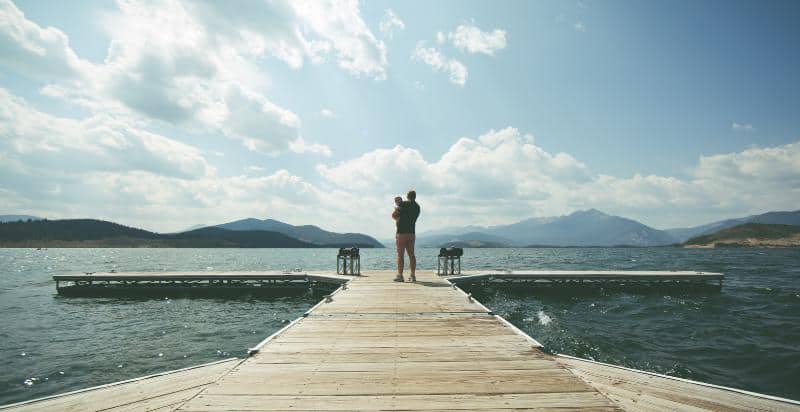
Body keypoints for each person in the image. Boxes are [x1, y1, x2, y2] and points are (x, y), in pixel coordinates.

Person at [394, 190, 421, 282]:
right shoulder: (417, 207)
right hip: (411, 233)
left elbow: (394, 215)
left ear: (407, 196)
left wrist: (397, 213)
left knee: (400, 255)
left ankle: (400, 276)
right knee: (411, 255)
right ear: (415, 197)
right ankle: (413, 276)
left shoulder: (403, 204)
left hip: (401, 233)